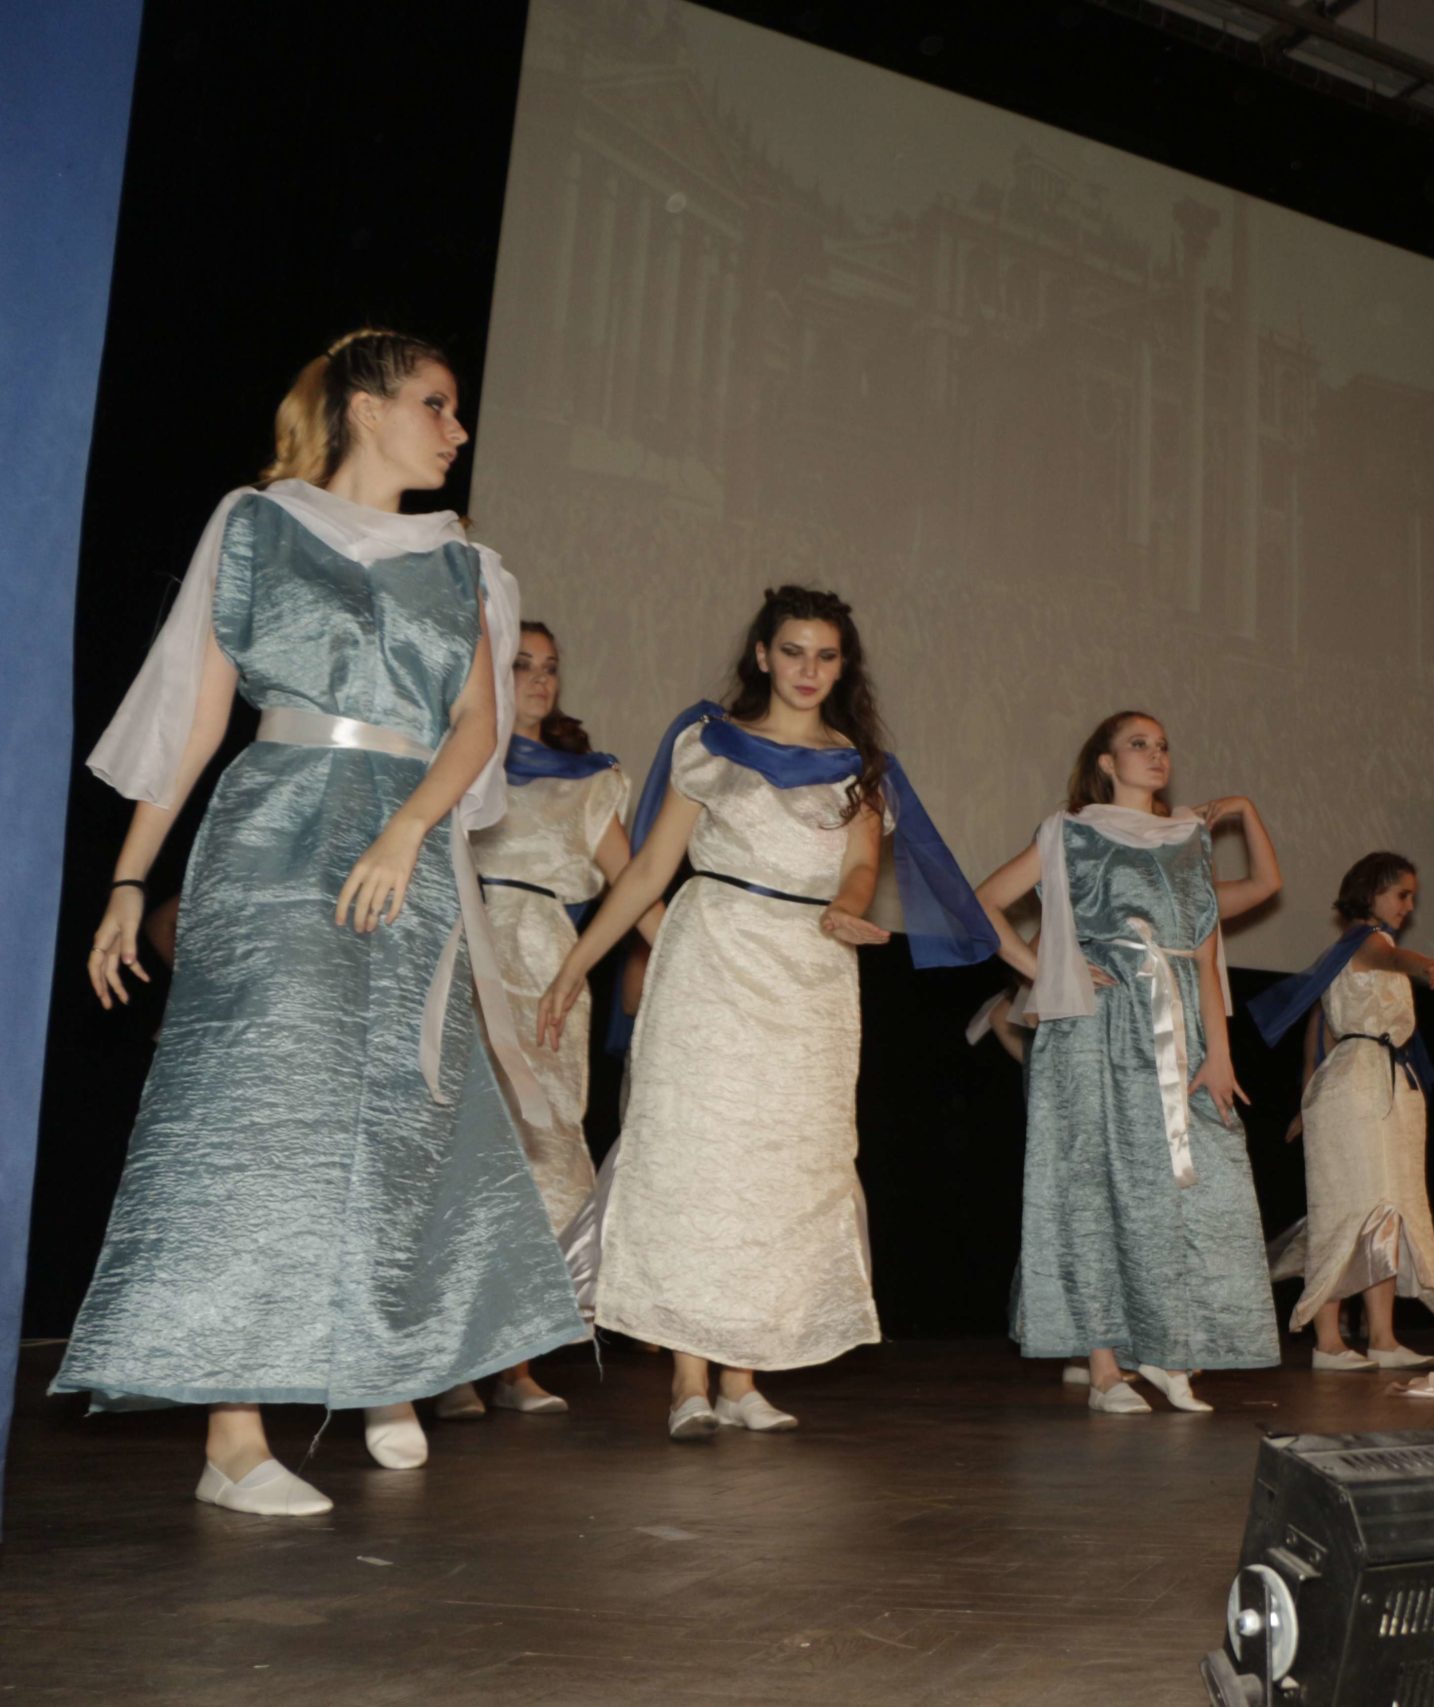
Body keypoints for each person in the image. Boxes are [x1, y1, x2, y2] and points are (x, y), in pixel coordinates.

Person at [59, 329, 585, 1515]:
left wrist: (406, 833)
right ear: (366, 406)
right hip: (276, 835)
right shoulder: (257, 524)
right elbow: (196, 721)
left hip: (409, 852)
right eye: (437, 405)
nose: (458, 430)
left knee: (398, 1111)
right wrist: (129, 882)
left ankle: (380, 1364)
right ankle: (233, 1439)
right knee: (254, 1113)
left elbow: (475, 728)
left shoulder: (464, 565)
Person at [536, 586, 994, 1438]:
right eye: (793, 651)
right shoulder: (709, 745)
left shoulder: (860, 768)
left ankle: (742, 1375)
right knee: (695, 1157)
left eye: (826, 655)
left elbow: (860, 868)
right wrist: (574, 966)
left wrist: (846, 909)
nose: (808, 669)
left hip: (809, 971)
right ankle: (688, 1379)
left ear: (843, 666)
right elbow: (647, 871)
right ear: (762, 656)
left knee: (782, 1167)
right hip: (712, 953)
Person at [974, 713, 1279, 1414]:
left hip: (1178, 1024)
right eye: (1138, 744)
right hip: (1095, 1024)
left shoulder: (1189, 839)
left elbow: (1202, 949)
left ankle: (1168, 1347)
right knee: (1093, 1183)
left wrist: (1220, 1053)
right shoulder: (1069, 831)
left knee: (1185, 1183)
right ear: (1106, 763)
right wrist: (1047, 968)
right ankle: (1104, 1366)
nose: (1156, 754)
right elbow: (982, 902)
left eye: (1163, 744)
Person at [440, 622, 655, 1420]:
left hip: (548, 979)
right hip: (460, 959)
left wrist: (689, 961)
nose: (538, 678)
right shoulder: (457, 762)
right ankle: (450, 1365)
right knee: (464, 1158)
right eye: (520, 664)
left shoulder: (588, 781)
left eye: (550, 667)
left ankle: (516, 1362)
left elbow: (636, 886)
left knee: (542, 1161)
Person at [1254, 852, 1434, 1370]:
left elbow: (1317, 1030)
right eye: (1402, 895)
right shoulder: (1367, 943)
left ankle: (1382, 1339)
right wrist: (1428, 966)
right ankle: (1328, 1342)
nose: (1408, 906)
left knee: (1384, 1206)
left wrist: (1307, 1099)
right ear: (1371, 893)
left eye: (1412, 897)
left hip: (1385, 1083)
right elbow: (1395, 960)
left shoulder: (1349, 955)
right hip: (1357, 1085)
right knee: (1347, 1207)